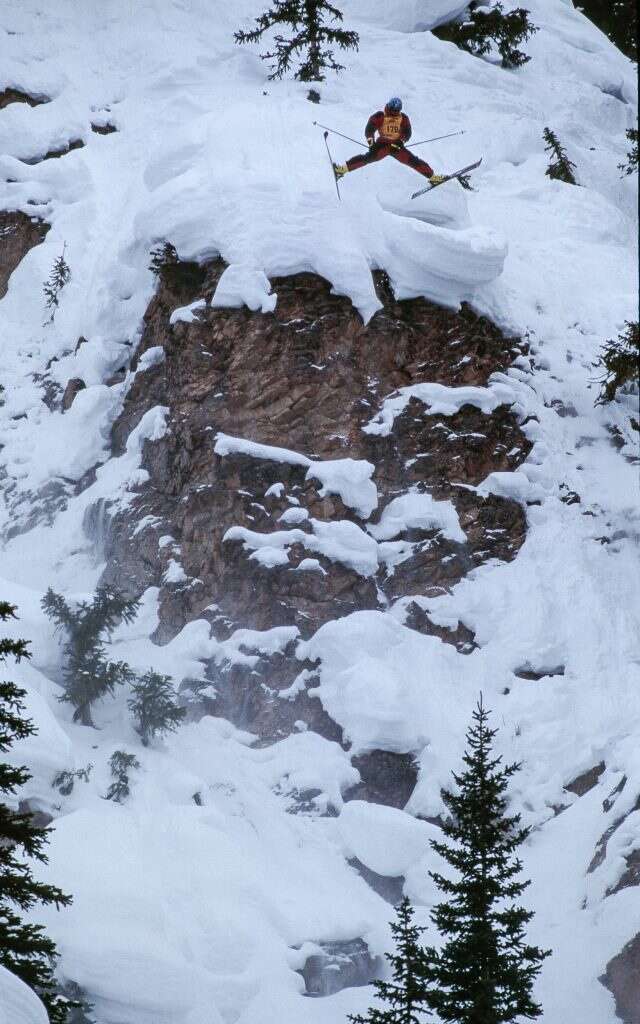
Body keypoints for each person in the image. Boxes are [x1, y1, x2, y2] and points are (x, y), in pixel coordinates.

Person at [333, 97, 445, 184]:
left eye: (395, 110)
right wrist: (372, 144)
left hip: (396, 147)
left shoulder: (403, 118)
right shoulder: (380, 116)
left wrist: (401, 141)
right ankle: (341, 170)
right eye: (391, 108)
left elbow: (407, 133)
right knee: (367, 158)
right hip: (382, 146)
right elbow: (369, 130)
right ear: (389, 106)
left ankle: (432, 177)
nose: (393, 111)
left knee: (413, 161)